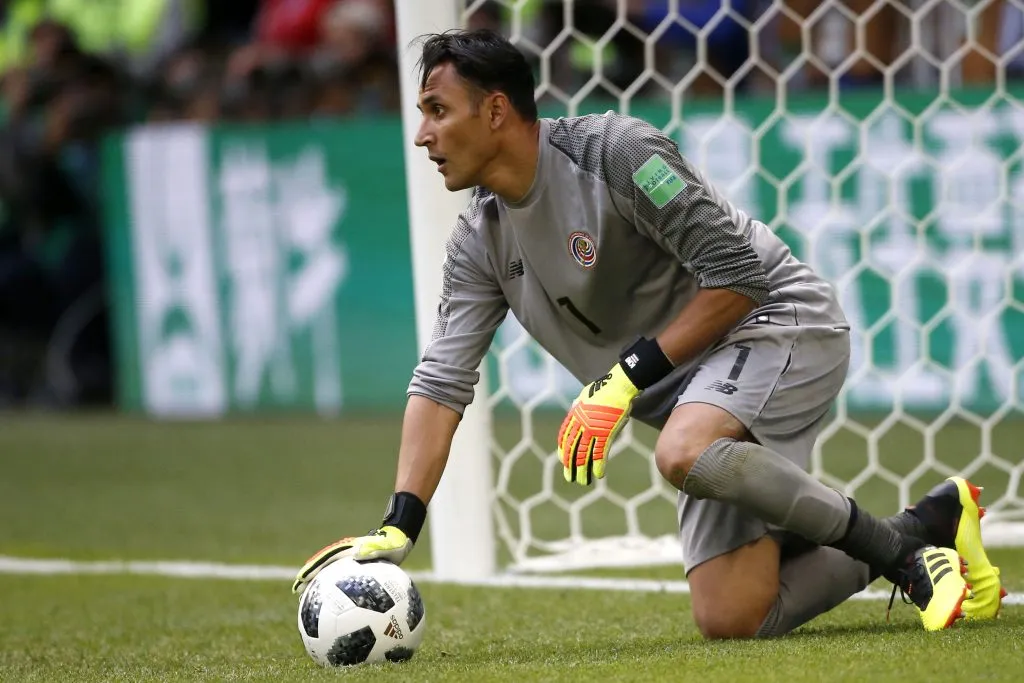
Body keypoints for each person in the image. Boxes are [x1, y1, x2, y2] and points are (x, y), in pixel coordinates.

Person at [291, 29, 1006, 637]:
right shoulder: (480, 240)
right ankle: (928, 523)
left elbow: (735, 273)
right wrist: (401, 520)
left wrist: (626, 375)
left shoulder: (617, 154)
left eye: (437, 111)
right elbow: (441, 382)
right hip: (696, 397)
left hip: (779, 320)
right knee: (732, 614)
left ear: (497, 111)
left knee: (684, 447)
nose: (421, 134)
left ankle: (900, 561)